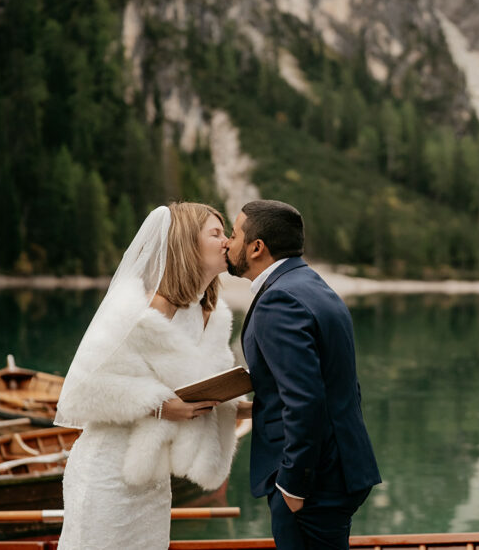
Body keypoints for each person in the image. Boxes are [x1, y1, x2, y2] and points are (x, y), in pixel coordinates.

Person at [55, 202, 241, 549]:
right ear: (187, 243)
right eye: (216, 234)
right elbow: (80, 393)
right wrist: (160, 406)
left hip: (153, 480)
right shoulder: (140, 309)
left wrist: (249, 406)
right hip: (106, 473)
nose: (227, 242)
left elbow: (202, 392)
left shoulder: (210, 317)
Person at [226, 199, 381, 550]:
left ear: (256, 248)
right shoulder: (311, 285)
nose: (227, 243)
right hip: (339, 468)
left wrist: (294, 483)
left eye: (233, 235)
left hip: (313, 482)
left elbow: (305, 400)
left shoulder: (278, 301)